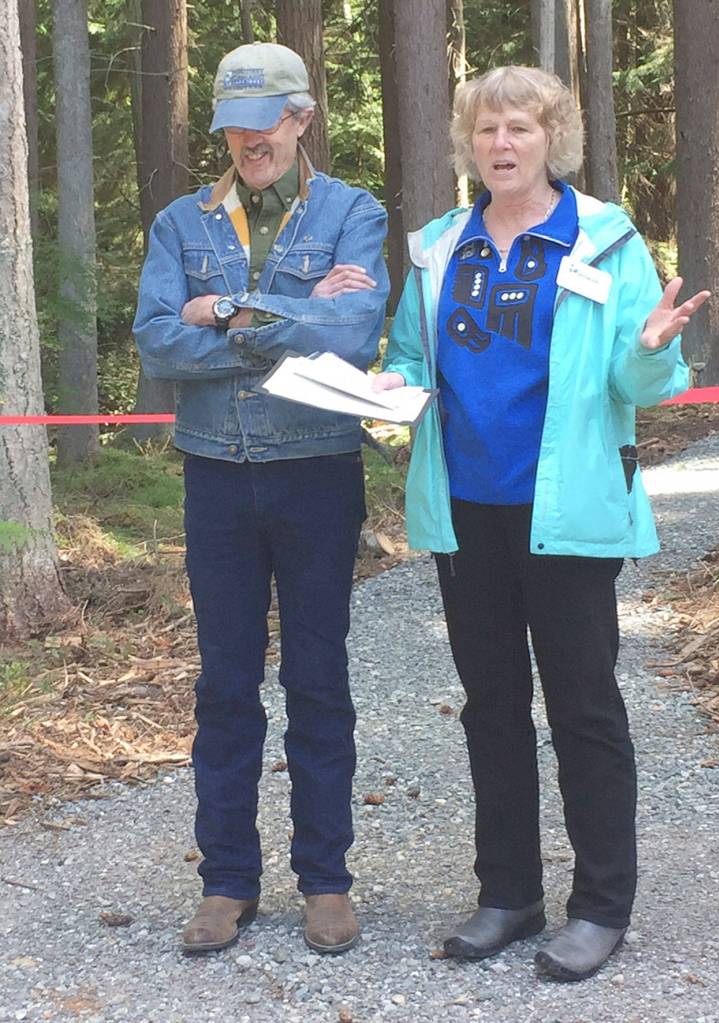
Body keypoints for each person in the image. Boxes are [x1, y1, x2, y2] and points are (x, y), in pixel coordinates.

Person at [374, 65, 709, 981]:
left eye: (520, 127)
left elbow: (643, 382)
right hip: (467, 513)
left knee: (584, 709)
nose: (502, 144)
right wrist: (386, 390)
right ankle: (508, 893)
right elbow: (411, 357)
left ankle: (601, 905)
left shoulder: (602, 242)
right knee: (491, 709)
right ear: (467, 144)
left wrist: (651, 351)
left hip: (563, 515)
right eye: (486, 130)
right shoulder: (442, 247)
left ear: (550, 139)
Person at [134, 42, 388, 956]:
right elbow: (157, 342)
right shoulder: (180, 222)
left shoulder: (354, 212)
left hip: (319, 471)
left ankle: (325, 880)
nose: (249, 140)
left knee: (318, 679)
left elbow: (355, 332)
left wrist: (225, 310)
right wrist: (285, 311)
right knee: (225, 684)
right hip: (215, 472)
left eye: (265, 121)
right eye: (232, 126)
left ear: (301, 118)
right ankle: (227, 882)